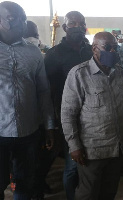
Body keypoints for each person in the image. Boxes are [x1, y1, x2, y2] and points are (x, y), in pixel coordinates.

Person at [61, 32, 123, 200]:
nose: (112, 51)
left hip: (117, 148)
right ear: (94, 49)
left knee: (109, 191)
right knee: (88, 193)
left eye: (115, 48)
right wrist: (74, 146)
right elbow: (68, 113)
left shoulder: (119, 72)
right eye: (107, 48)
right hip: (92, 150)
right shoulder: (79, 74)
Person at [0, 1, 55, 199]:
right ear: (4, 21)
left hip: (28, 131)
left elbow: (43, 91)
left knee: (26, 182)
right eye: (18, 19)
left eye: (24, 19)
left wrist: (49, 126)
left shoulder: (33, 52)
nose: (24, 24)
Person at [44, 11, 93, 200]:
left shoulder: (90, 51)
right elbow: (46, 90)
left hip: (91, 116)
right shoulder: (54, 55)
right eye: (73, 23)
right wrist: (53, 121)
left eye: (82, 23)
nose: (78, 27)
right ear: (65, 27)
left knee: (87, 163)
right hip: (67, 117)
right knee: (72, 165)